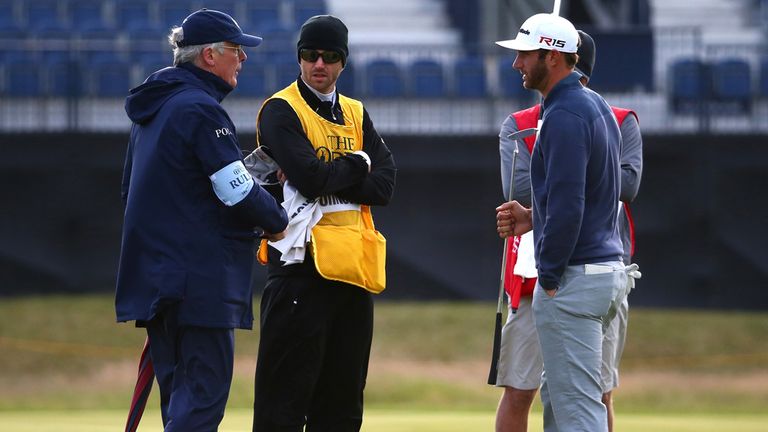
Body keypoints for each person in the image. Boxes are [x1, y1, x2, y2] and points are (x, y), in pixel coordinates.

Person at [115, 9, 288, 431]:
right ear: (209, 56)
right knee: (202, 403)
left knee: (179, 403)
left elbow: (132, 192)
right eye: (236, 50)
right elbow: (235, 191)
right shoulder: (200, 109)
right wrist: (278, 220)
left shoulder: (152, 111)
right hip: (200, 283)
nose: (243, 59)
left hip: (160, 282)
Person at [493, 29, 643, 432]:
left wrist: (553, 274)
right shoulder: (595, 107)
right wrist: (533, 218)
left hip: (572, 275)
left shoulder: (564, 115)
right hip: (604, 269)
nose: (516, 64)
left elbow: (569, 202)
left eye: (525, 55)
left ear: (553, 57)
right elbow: (593, 194)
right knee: (561, 400)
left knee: (577, 408)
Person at [251, 15, 396, 432]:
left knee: (343, 406)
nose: (319, 64)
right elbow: (312, 181)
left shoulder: (355, 111)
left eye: (330, 56)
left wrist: (328, 170)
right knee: (283, 403)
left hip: (352, 270)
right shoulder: (282, 109)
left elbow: (385, 187)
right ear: (298, 58)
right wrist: (358, 162)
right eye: (310, 55)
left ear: (343, 63)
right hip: (300, 270)